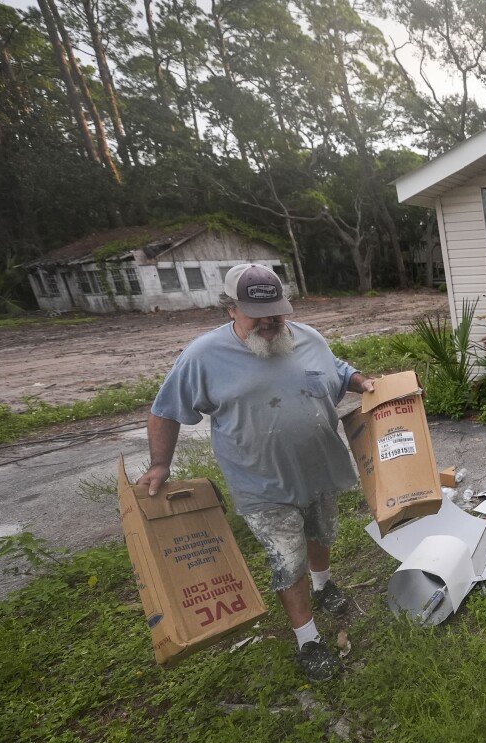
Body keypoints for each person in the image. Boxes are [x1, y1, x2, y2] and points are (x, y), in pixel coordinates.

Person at [138, 264, 372, 682]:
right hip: (261, 484)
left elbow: (336, 369)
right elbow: (164, 411)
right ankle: (308, 640)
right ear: (230, 309)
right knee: (288, 557)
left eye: (276, 313)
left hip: (318, 468)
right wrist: (160, 464)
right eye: (256, 314)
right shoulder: (203, 357)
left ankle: (324, 584)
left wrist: (364, 382)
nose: (269, 323)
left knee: (319, 534)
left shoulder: (307, 337)